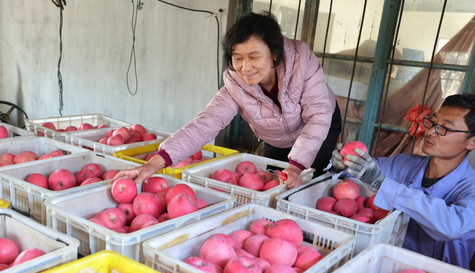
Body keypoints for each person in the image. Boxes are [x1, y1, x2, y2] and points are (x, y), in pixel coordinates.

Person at [115, 11, 341, 189]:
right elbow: (205, 124)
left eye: (253, 57)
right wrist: (154, 163)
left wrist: (296, 166)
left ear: (274, 53)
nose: (245, 67)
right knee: (278, 181)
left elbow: (318, 115)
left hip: (319, 122)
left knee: (311, 176)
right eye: (238, 58)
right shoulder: (236, 85)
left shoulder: (302, 63)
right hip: (276, 134)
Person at [332, 94, 475, 271]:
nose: (430, 131)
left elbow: (452, 225)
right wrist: (343, 166)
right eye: (432, 122)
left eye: (444, 128)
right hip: (385, 267)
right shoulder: (404, 163)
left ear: (474, 141)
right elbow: (363, 173)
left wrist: (383, 186)